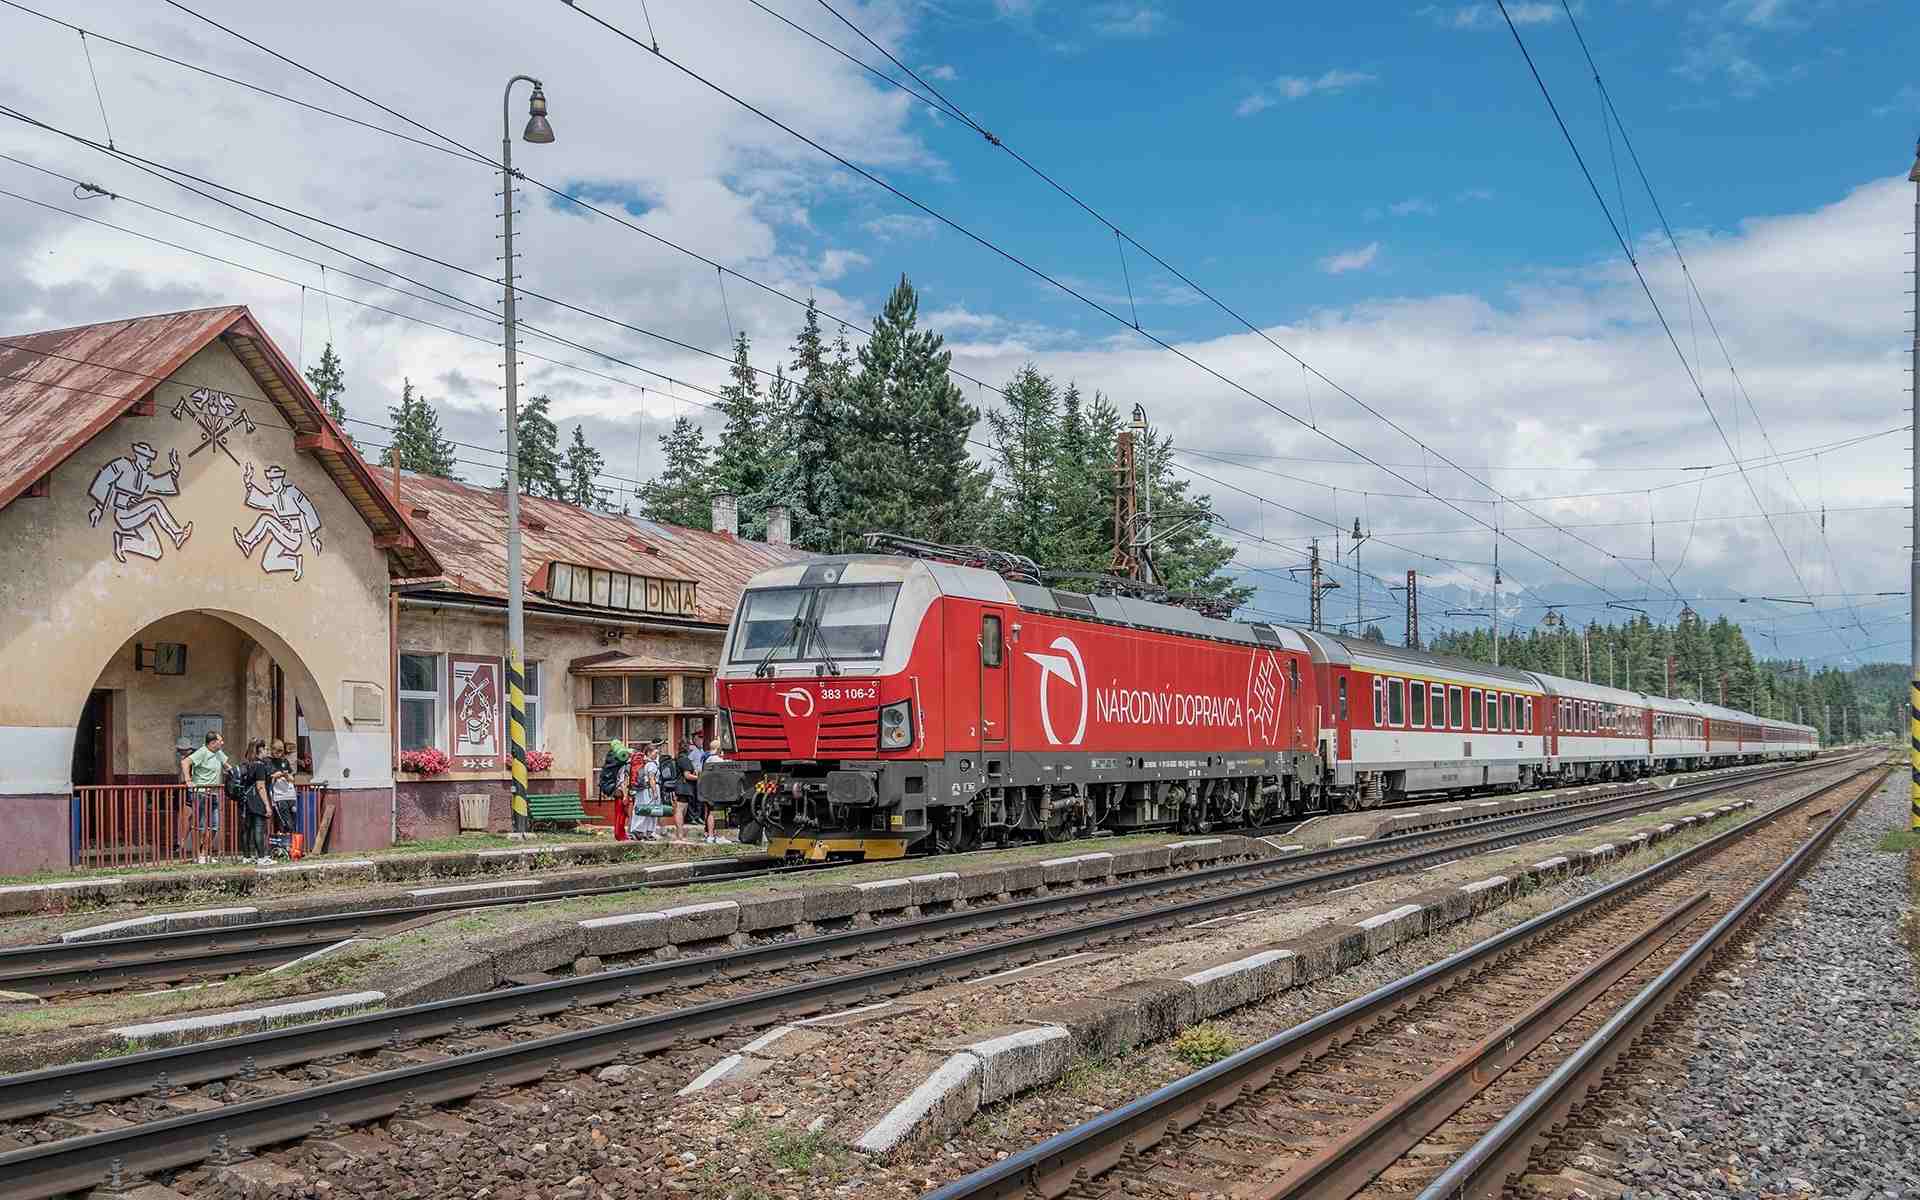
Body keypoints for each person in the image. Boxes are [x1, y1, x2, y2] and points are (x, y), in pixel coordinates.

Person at [179, 730, 226, 865]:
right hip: (200, 792)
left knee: (215, 825)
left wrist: (236, 773)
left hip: (214, 793)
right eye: (220, 740)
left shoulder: (218, 753)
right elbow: (185, 763)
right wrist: (188, 781)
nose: (222, 742)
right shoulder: (202, 751)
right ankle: (199, 855)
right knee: (200, 825)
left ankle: (205, 851)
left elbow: (227, 766)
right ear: (212, 742)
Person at [267, 740, 298, 860]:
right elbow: (270, 776)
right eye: (277, 751)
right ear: (272, 749)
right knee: (285, 823)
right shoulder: (268, 762)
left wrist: (285, 775)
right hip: (279, 796)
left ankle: (293, 849)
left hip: (290, 795)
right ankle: (285, 850)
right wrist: (278, 774)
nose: (279, 754)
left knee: (292, 822)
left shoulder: (285, 761)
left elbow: (291, 778)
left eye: (281, 751)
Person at [242, 739, 273, 862]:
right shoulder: (260, 765)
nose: (267, 751)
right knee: (259, 828)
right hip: (257, 800)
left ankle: (246, 857)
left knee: (247, 829)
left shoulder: (248, 763)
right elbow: (260, 786)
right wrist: (267, 805)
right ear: (260, 750)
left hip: (246, 800)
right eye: (266, 749)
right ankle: (261, 857)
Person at [598, 740, 632, 842]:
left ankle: (620, 834)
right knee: (621, 814)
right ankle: (620, 835)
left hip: (617, 791)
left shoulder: (615, 762)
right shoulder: (625, 765)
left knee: (619, 813)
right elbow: (623, 782)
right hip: (621, 792)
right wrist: (626, 796)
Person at [628, 740, 663, 841]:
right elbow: (652, 778)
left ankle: (640, 831)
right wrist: (655, 792)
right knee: (650, 810)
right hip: (650, 789)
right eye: (655, 752)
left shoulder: (646, 763)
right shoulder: (651, 764)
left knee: (646, 809)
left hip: (644, 790)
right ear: (649, 753)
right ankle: (646, 832)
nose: (657, 754)